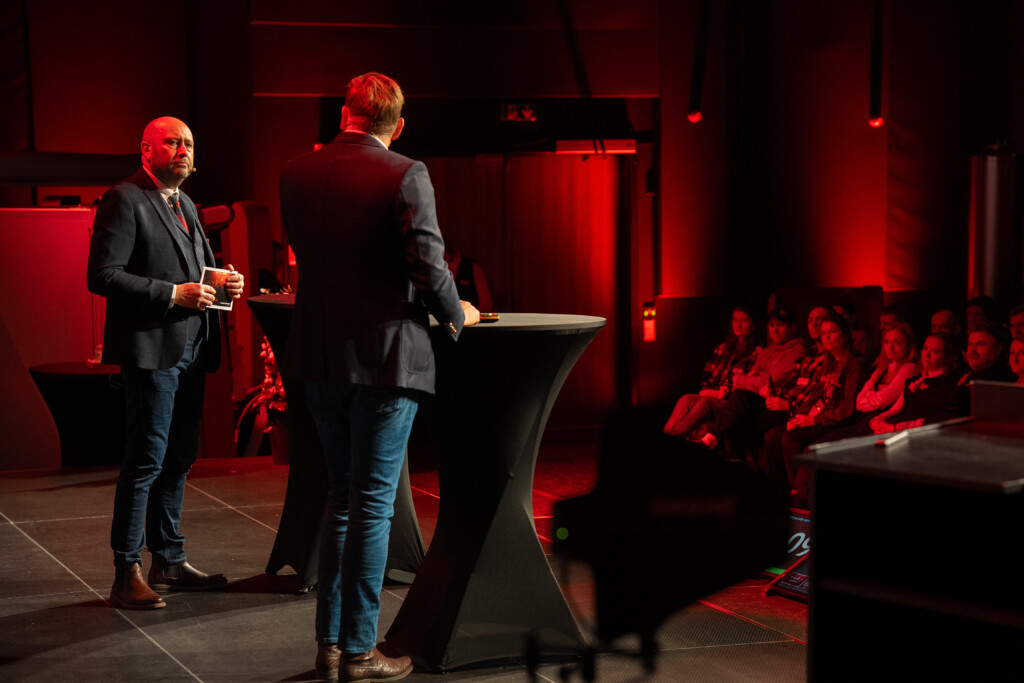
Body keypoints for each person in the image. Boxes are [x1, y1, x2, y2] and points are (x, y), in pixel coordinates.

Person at [279, 72, 480, 682]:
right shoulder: (405, 172)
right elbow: (426, 262)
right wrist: (457, 314)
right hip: (387, 359)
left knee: (342, 499)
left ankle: (332, 647)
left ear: (344, 112)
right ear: (397, 124)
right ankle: (360, 651)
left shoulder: (296, 172)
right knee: (370, 505)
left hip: (318, 359)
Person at [87, 116, 244, 610]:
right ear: (146, 150)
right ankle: (125, 569)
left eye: (189, 143)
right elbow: (103, 275)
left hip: (192, 349)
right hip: (153, 352)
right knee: (146, 461)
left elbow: (196, 268)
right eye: (172, 142)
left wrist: (224, 281)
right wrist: (172, 294)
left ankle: (168, 559)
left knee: (178, 459)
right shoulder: (124, 198)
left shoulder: (186, 203)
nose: (182, 150)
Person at [761, 312, 867, 504]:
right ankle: (777, 490)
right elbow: (821, 398)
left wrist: (813, 420)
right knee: (772, 436)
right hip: (822, 417)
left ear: (844, 335)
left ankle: (800, 494)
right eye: (823, 332)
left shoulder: (855, 363)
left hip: (839, 422)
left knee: (790, 438)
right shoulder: (829, 362)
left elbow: (846, 409)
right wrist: (804, 416)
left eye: (832, 332)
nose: (825, 337)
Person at [662, 305, 759, 438]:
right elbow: (706, 377)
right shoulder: (722, 348)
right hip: (712, 395)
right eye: (735, 320)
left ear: (753, 325)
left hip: (730, 403)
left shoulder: (757, 353)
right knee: (686, 399)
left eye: (744, 320)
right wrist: (710, 391)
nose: (738, 325)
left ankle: (671, 436)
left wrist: (721, 394)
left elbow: (744, 387)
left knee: (704, 403)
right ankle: (668, 432)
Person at [867, 333, 963, 433]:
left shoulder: (944, 385)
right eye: (925, 348)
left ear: (946, 357)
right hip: (895, 428)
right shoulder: (916, 379)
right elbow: (896, 408)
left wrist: (894, 428)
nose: (927, 355)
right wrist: (877, 420)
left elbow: (930, 421)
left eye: (935, 351)